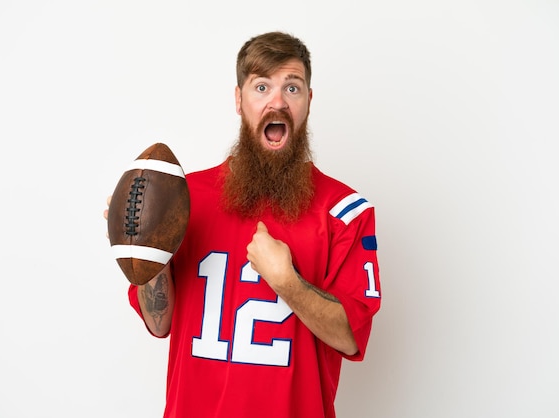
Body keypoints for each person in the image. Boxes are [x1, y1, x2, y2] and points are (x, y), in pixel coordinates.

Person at [106, 31, 381, 418]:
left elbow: (351, 339)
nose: (278, 101)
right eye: (262, 86)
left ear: (308, 101)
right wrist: (148, 250)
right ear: (239, 99)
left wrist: (287, 281)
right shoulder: (184, 200)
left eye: (293, 87)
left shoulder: (346, 211)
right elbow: (159, 323)